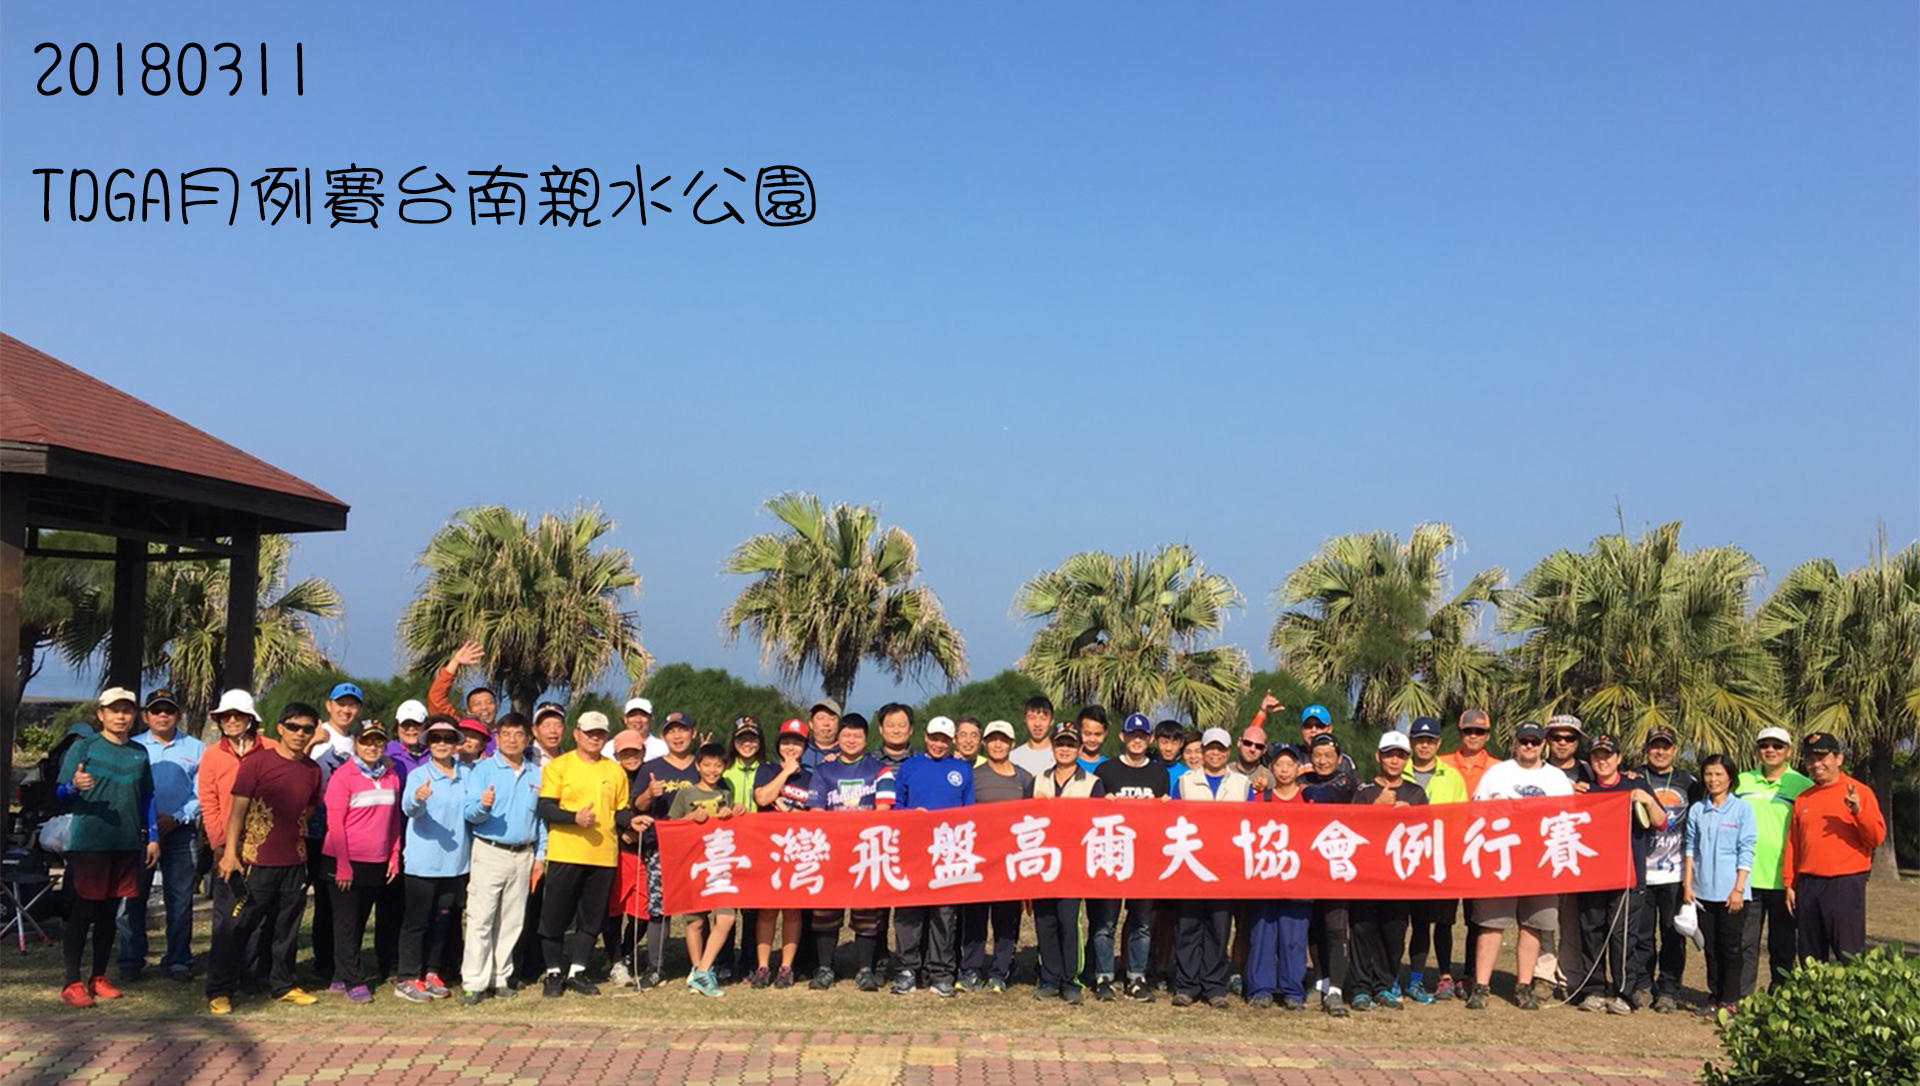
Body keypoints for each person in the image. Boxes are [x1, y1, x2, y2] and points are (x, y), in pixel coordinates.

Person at [209, 701, 325, 1013]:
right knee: (236, 927)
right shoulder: (257, 763)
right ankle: (220, 989)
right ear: (280, 728)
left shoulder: (312, 770)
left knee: (286, 928)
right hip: (255, 860)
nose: (300, 734)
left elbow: (309, 808)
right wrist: (230, 853)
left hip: (294, 861)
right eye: (294, 727)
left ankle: (282, 983)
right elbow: (237, 811)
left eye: (307, 729)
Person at [55, 687, 158, 1008]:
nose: (121, 716)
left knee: (110, 913)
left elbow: (147, 796)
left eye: (127, 710)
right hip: (91, 843)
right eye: (114, 710)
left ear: (135, 715)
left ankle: (98, 977)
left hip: (126, 843)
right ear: (101, 714)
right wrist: (73, 786)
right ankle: (71, 981)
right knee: (83, 911)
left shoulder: (139, 752)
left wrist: (153, 836)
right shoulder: (84, 747)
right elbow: (58, 794)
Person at [1466, 720, 1573, 1011]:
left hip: (1540, 864)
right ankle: (1481, 986)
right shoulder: (1496, 774)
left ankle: (1523, 986)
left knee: (1533, 926)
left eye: (1534, 741)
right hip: (1500, 861)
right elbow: (1475, 812)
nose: (1529, 746)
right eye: (1524, 740)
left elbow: (1570, 819)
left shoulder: (1557, 779)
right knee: (1491, 925)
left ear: (1543, 744)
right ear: (1515, 742)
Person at [534, 710, 635, 996]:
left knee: (592, 918)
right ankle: (553, 973)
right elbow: (545, 807)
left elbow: (620, 810)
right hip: (566, 853)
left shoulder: (614, 770)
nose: (594, 738)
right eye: (589, 733)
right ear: (576, 734)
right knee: (554, 917)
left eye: (600, 733)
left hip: (603, 856)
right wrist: (573, 818)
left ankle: (577, 972)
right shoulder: (559, 766)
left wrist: (633, 820)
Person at [1573, 733, 1666, 1016]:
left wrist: (1647, 801)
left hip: (1627, 875)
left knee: (1623, 936)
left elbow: (1661, 822)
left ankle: (1626, 992)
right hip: (1592, 876)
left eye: (1607, 755)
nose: (1602, 761)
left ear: (1619, 758)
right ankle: (1594, 989)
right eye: (1597, 756)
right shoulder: (1584, 790)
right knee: (1591, 932)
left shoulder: (1634, 784)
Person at [460, 710, 544, 1005]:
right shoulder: (483, 770)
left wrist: (540, 855)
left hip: (523, 854)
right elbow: (469, 813)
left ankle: (499, 978)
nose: (512, 740)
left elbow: (540, 820)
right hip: (490, 850)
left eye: (518, 734)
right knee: (481, 918)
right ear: (497, 738)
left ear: (528, 738)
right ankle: (474, 982)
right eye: (505, 734)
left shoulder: (536, 773)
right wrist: (483, 806)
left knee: (512, 921)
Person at [198, 690, 276, 1001]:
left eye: (238, 715)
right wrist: (220, 844)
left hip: (263, 845)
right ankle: (222, 981)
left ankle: (253, 976)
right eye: (226, 716)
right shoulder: (212, 755)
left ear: (250, 719)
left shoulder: (270, 748)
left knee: (258, 915)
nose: (231, 721)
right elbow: (209, 802)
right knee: (226, 917)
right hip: (227, 848)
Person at [120, 687, 202, 984]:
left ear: (177, 715)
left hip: (181, 832)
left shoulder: (196, 748)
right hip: (141, 832)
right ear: (146, 716)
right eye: (156, 710)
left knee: (179, 900)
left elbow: (201, 793)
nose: (163, 715)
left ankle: (178, 959)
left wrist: (178, 817)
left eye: (169, 710)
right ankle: (131, 960)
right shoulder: (133, 747)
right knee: (131, 898)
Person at [1783, 731, 1886, 963]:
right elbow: (1793, 843)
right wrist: (1789, 883)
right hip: (1809, 883)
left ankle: (1852, 988)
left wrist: (1858, 811)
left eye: (1822, 757)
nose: (1816, 764)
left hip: (1844, 882)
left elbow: (1876, 837)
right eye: (1810, 759)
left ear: (1838, 758)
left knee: (1849, 951)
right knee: (1810, 954)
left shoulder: (1860, 792)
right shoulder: (1804, 798)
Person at [891, 716, 974, 997]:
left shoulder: (962, 768)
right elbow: (895, 806)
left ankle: (941, 973)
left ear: (951, 742)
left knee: (944, 914)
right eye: (934, 738)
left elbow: (970, 811)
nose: (938, 744)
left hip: (948, 853)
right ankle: (907, 970)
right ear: (926, 737)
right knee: (909, 913)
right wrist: (911, 815)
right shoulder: (909, 766)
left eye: (944, 740)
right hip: (914, 852)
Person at [1348, 730, 1429, 1011]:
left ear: (1407, 759)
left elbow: (1427, 831)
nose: (1394, 761)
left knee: (1394, 932)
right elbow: (1351, 828)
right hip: (1366, 874)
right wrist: (1376, 807)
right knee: (1362, 930)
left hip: (1399, 876)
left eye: (1400, 756)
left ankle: (1383, 985)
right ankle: (1360, 988)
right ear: (1378, 756)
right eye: (1389, 755)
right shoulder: (1363, 790)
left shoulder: (1416, 793)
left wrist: (1412, 815)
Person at [322, 718, 401, 1004]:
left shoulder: (391, 776)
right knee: (345, 922)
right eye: (366, 741)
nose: (372, 746)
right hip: (344, 859)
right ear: (356, 744)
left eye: (378, 741)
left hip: (376, 860)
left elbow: (393, 821)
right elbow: (335, 823)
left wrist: (394, 855)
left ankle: (340, 974)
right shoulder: (344, 776)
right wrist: (343, 865)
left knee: (358, 921)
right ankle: (354, 980)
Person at [805, 712, 887, 990]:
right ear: (838, 738)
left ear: (866, 738)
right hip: (832, 851)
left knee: (867, 913)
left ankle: (865, 969)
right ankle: (825, 968)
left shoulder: (879, 770)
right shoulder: (823, 770)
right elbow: (816, 811)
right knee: (826, 913)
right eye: (846, 735)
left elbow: (884, 810)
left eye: (857, 735)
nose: (851, 740)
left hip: (866, 851)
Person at [1169, 727, 1248, 1009]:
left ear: (1228, 752)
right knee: (1187, 926)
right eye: (1210, 748)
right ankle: (1187, 985)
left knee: (1219, 927)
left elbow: (1251, 821)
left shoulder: (1242, 784)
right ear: (1202, 750)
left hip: (1225, 868)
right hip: (1190, 864)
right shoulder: (1185, 782)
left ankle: (1215, 986)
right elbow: (1170, 817)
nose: (1215, 753)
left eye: (1221, 749)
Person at [1092, 712, 1168, 1001]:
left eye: (1142, 736)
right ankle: (1104, 976)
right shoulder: (1106, 770)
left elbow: (1165, 819)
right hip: (1113, 856)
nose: (1137, 740)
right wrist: (1103, 802)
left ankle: (1136, 977)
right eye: (1132, 735)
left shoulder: (1159, 773)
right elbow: (1092, 813)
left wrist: (1166, 807)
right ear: (1122, 737)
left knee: (1142, 922)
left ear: (1150, 739)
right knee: (1105, 922)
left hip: (1145, 860)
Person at [393, 718, 471, 1002]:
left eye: (448, 738)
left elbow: (473, 810)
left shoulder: (467, 774)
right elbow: (409, 809)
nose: (441, 743)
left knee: (443, 920)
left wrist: (486, 804)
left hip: (456, 863)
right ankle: (407, 976)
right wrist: (418, 798)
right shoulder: (419, 775)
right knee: (417, 922)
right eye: (435, 738)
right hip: (423, 863)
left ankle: (432, 971)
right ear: (427, 742)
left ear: (456, 743)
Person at [1734, 725, 1813, 993]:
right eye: (1765, 745)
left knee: (1783, 946)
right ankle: (1743, 998)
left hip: (1785, 881)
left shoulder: (1803, 785)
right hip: (1746, 879)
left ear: (1788, 751)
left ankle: (1780, 997)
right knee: (1745, 944)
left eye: (1777, 746)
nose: (1771, 750)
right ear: (1757, 751)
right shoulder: (1741, 782)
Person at [1031, 720, 1105, 1005]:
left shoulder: (1092, 783)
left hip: (1074, 865)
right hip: (1042, 864)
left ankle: (1071, 980)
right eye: (1060, 743)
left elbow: (1099, 822)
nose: (1065, 749)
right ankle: (1049, 978)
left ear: (1079, 747)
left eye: (1070, 744)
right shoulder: (1038, 779)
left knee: (1068, 922)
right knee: (1045, 921)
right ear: (1052, 746)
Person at [1683, 753, 1756, 1019]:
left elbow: (1746, 849)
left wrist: (1739, 888)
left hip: (1731, 893)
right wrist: (1687, 885)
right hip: (1702, 891)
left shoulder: (1742, 809)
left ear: (1730, 778)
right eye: (1708, 774)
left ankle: (1731, 1001)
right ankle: (1714, 997)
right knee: (1711, 949)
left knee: (1731, 948)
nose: (1713, 780)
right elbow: (1690, 848)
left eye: (1718, 774)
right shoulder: (1697, 809)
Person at [962, 720, 1031, 993]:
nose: (998, 745)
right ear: (985, 744)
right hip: (979, 860)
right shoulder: (973, 776)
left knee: (1005, 920)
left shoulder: (1024, 778)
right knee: (975, 918)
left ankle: (1000, 971)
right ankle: (971, 968)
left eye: (1003, 740)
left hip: (1010, 862)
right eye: (993, 740)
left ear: (1011, 744)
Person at [1401, 716, 1467, 1002]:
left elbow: (1462, 818)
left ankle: (1445, 976)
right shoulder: (1398, 770)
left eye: (1429, 740)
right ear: (1412, 743)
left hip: (1442, 860)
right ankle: (1409, 977)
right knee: (1413, 922)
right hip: (1407, 860)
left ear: (1438, 743)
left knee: (1442, 922)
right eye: (1419, 740)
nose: (1424, 745)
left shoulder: (1451, 776)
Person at [667, 743, 740, 997]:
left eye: (718, 765)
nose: (712, 770)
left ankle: (703, 969)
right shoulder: (685, 793)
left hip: (720, 864)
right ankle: (697, 968)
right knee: (695, 921)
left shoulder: (725, 793)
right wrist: (690, 819)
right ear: (697, 766)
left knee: (726, 917)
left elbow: (732, 826)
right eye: (707, 765)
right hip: (693, 864)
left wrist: (735, 811)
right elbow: (671, 827)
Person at [1243, 744, 1312, 1011]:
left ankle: (1292, 989)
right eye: (1279, 764)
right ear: (1271, 768)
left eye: (1289, 764)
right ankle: (1261, 989)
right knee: (1263, 935)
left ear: (1298, 768)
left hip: (1299, 878)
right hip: (1265, 877)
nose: (1284, 770)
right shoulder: (1260, 798)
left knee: (1294, 937)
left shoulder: (1309, 800)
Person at [1636, 724, 1699, 1012]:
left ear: (1674, 750)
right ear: (1646, 749)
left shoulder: (1689, 782)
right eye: (1655, 746)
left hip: (1675, 873)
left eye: (1665, 746)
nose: (1660, 752)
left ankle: (1669, 989)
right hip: (1642, 871)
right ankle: (1642, 984)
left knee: (1673, 934)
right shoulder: (1634, 777)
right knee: (1642, 934)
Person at [634, 714, 701, 986]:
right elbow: (637, 806)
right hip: (661, 848)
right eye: (671, 731)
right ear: (663, 736)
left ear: (692, 733)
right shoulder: (651, 768)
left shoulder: (703, 766)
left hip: (698, 849)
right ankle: (655, 967)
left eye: (682, 730)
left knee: (699, 908)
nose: (677, 736)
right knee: (659, 907)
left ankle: (703, 965)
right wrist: (648, 794)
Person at [749, 719, 815, 988]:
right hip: (768, 849)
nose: (791, 747)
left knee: (792, 911)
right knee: (766, 911)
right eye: (786, 742)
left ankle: (786, 967)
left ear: (805, 747)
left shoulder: (811, 777)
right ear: (778, 745)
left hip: (797, 851)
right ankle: (763, 966)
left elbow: (814, 815)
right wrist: (786, 772)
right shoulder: (766, 770)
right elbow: (762, 798)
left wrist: (789, 811)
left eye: (797, 743)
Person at [1439, 707, 1497, 997]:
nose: (1473, 736)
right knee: (1443, 917)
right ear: (1460, 733)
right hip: (1446, 850)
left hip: (1480, 852)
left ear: (1487, 735)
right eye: (1468, 731)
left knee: (1477, 916)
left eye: (1479, 731)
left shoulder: (1499, 768)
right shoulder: (1442, 763)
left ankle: (1471, 974)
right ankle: (1444, 974)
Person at [1300, 733, 1357, 1015]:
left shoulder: (1346, 780)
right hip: (1309, 866)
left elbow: (1323, 795)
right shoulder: (1304, 780)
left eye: (1328, 756)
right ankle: (1320, 980)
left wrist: (1303, 790)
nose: (1322, 761)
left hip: (1337, 865)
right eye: (1317, 755)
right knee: (1313, 926)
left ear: (1338, 758)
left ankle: (1336, 989)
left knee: (1336, 926)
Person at [427, 640, 498, 723]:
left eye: (489, 702)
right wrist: (455, 661)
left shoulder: (506, 730)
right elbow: (436, 698)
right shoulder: (460, 728)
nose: (484, 707)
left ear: (496, 707)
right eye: (477, 704)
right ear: (468, 711)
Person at [1010, 694, 1057, 777]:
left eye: (1043, 718)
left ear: (1052, 721)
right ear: (1025, 719)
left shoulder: (1061, 755)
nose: (1037, 724)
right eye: (1032, 718)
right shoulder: (1013, 758)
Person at [800, 697, 843, 772]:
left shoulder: (847, 753)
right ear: (811, 723)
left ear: (839, 724)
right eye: (821, 718)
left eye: (832, 719)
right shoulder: (800, 750)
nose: (826, 723)